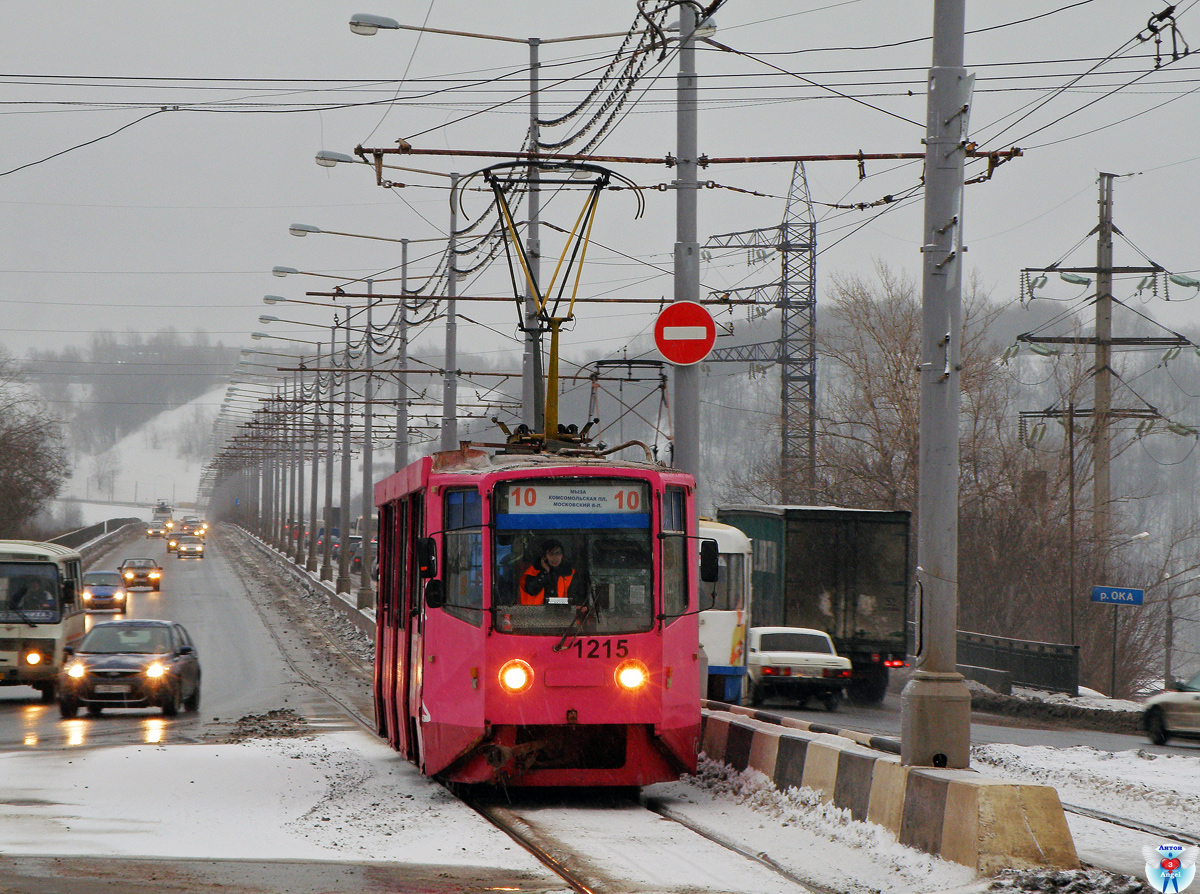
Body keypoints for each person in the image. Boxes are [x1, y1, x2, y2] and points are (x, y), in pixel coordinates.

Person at [519, 539, 575, 605]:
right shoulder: (531, 573)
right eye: (551, 554)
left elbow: (576, 597)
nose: (555, 557)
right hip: (536, 613)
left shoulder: (570, 573)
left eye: (558, 553)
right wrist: (545, 572)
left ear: (562, 555)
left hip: (563, 613)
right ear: (544, 557)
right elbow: (532, 590)